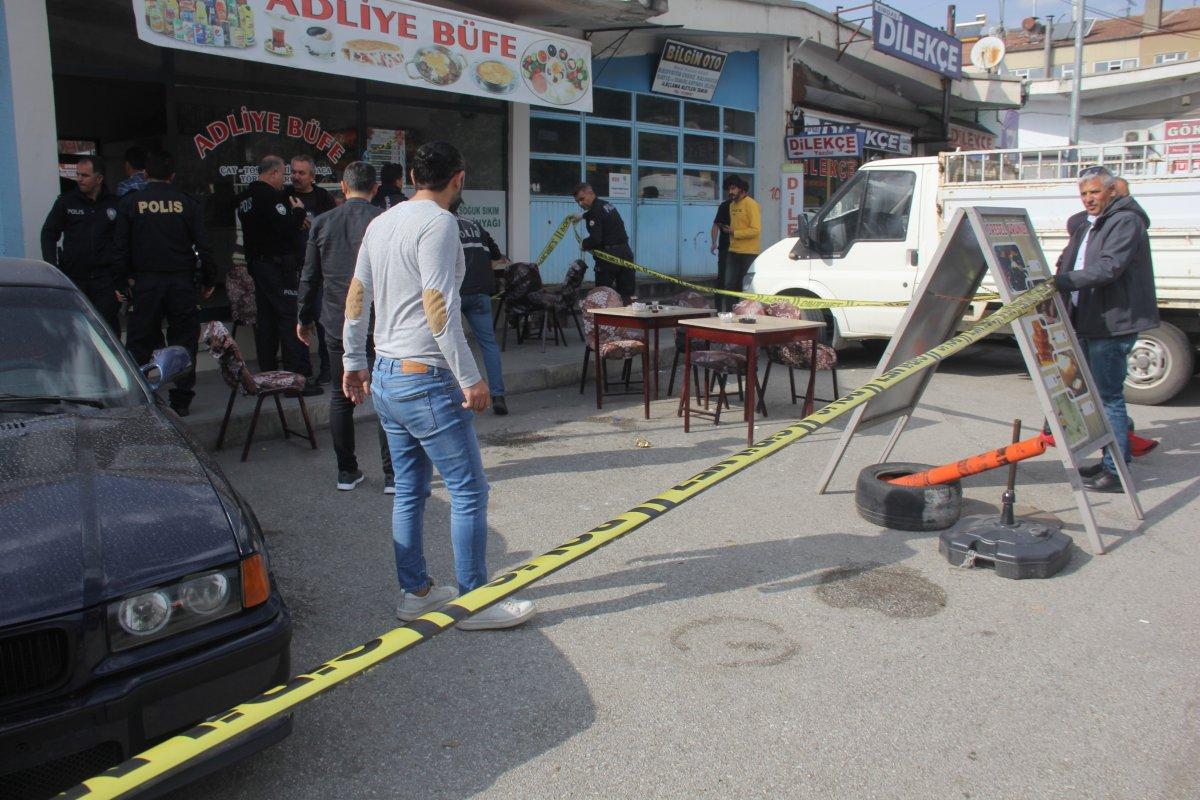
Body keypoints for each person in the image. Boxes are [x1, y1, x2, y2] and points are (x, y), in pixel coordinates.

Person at [343, 141, 534, 631]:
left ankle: (417, 593)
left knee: (410, 490)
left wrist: (352, 360)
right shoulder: (441, 222)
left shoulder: (380, 221)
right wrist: (471, 377)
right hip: (425, 377)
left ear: (410, 175)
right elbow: (438, 305)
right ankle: (474, 603)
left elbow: (357, 294)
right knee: (469, 490)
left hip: (386, 372)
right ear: (460, 178)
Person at [1053, 166, 1158, 493]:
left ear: (1113, 192)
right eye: (1083, 194)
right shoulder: (1091, 223)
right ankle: (1109, 458)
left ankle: (1116, 471)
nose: (1088, 199)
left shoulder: (1125, 221)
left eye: (1095, 192)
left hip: (1112, 323)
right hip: (1090, 318)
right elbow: (1073, 256)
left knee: (1108, 397)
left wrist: (1063, 281)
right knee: (1095, 396)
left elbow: (1109, 267)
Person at [297, 161, 395, 493]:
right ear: (376, 189)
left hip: (336, 320)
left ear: (342, 186)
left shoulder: (323, 222)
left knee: (341, 396)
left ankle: (347, 471)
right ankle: (393, 475)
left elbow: (309, 277)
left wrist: (303, 317)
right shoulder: (384, 221)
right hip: (380, 322)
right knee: (384, 397)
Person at [112, 149, 216, 416]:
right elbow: (205, 246)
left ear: (145, 175)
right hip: (180, 284)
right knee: (183, 341)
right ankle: (181, 399)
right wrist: (209, 280)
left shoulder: (130, 203)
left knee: (140, 341)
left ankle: (143, 396)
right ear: (172, 175)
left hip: (145, 285)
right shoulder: (186, 203)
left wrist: (121, 283)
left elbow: (120, 248)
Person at [237, 154, 321, 395]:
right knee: (289, 319)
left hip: (258, 265)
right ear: (273, 173)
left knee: (266, 322)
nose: (286, 179)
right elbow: (283, 226)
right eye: (284, 173)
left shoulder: (246, 197)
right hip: (276, 268)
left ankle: (266, 378)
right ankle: (296, 381)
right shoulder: (268, 196)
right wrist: (297, 213)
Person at [40, 154, 122, 333]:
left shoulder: (115, 204)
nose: (79, 179)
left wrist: (121, 279)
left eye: (85, 175)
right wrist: (52, 267)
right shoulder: (66, 202)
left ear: (99, 178)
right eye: (78, 174)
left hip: (105, 280)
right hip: (76, 278)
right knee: (75, 329)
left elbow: (123, 241)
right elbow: (49, 233)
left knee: (107, 328)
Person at [451, 197, 509, 415]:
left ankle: (455, 398)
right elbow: (496, 256)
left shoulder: (442, 224)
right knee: (489, 345)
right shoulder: (475, 225)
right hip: (481, 293)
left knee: (451, 344)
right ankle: (498, 396)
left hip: (454, 294)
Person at [287, 154, 336, 385]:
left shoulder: (322, 197)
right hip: (293, 269)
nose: (296, 177)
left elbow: (331, 231)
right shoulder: (284, 196)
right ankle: (302, 372)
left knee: (322, 322)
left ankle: (328, 369)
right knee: (298, 322)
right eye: (294, 172)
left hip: (320, 272)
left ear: (312, 176)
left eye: (301, 173)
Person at [572, 182, 636, 302]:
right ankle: (628, 319)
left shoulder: (594, 213)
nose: (580, 203)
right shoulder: (606, 205)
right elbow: (600, 215)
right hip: (625, 254)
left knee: (603, 296)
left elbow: (596, 239)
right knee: (627, 295)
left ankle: (606, 320)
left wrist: (584, 244)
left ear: (591, 193)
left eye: (582, 199)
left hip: (608, 258)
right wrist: (583, 216)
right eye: (577, 202)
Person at [720, 177, 760, 306]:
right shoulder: (732, 205)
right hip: (733, 251)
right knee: (728, 285)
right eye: (729, 189)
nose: (730, 192)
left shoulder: (751, 204)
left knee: (745, 286)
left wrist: (734, 233)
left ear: (741, 189)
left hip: (749, 253)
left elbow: (755, 230)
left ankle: (745, 313)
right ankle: (730, 313)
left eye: (733, 189)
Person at [710, 187, 732, 311]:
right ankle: (719, 309)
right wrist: (713, 242)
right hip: (725, 248)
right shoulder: (725, 206)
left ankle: (732, 309)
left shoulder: (748, 206)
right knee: (722, 279)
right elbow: (716, 225)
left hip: (741, 250)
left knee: (734, 281)